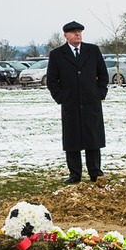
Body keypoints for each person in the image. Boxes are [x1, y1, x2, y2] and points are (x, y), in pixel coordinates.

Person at [46, 21, 108, 183]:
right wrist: (61, 98)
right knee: (72, 139)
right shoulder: (57, 55)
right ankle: (75, 174)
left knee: (93, 138)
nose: (77, 34)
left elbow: (103, 74)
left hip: (91, 103)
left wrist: (99, 93)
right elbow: (52, 80)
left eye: (79, 31)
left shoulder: (92, 51)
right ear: (66, 35)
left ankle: (95, 172)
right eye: (74, 32)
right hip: (70, 104)